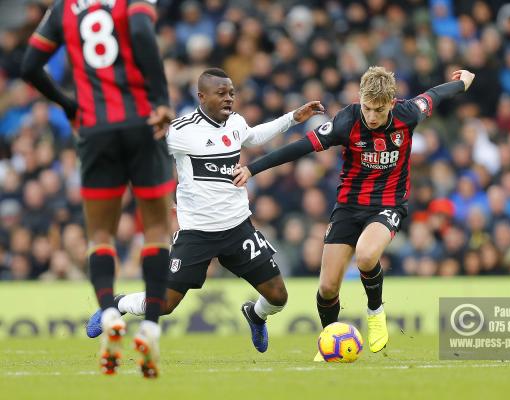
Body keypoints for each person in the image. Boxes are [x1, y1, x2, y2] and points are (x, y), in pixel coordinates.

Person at [234, 66, 475, 360]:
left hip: (388, 203)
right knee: (326, 287)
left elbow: (435, 94)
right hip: (348, 207)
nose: (371, 116)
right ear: (359, 99)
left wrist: (462, 83)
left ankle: (375, 312)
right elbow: (300, 147)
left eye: (378, 109)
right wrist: (252, 168)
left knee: (365, 255)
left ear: (390, 103)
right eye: (366, 107)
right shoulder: (346, 121)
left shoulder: (408, 113)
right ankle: (330, 343)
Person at [85, 68, 324, 354]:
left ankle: (255, 315)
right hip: (197, 233)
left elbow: (253, 136)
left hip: (238, 228)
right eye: (221, 93)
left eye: (232, 93)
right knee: (164, 305)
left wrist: (293, 118)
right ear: (202, 96)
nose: (229, 99)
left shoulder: (235, 123)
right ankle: (119, 303)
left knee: (278, 297)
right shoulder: (181, 131)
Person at [21, 0, 176, 377]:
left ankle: (109, 314)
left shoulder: (64, 9)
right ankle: (152, 326)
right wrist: (161, 101)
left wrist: (69, 106)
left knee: (100, 233)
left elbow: (29, 67)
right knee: (156, 229)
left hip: (95, 129)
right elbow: (140, 32)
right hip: (141, 123)